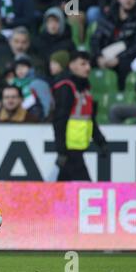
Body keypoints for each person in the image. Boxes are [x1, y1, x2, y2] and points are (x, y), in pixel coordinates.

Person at [52, 51, 108, 181]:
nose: (88, 67)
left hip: (78, 146)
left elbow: (90, 119)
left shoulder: (85, 89)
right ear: (71, 66)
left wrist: (100, 141)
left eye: (88, 64)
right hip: (70, 148)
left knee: (63, 186)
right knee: (84, 185)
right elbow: (59, 120)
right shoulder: (67, 87)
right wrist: (61, 150)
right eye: (83, 64)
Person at [91, 0, 136, 90]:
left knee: (125, 66)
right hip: (104, 55)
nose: (128, 0)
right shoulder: (108, 18)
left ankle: (121, 95)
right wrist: (98, 57)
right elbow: (96, 39)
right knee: (86, 61)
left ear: (135, 0)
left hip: (124, 58)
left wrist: (118, 59)